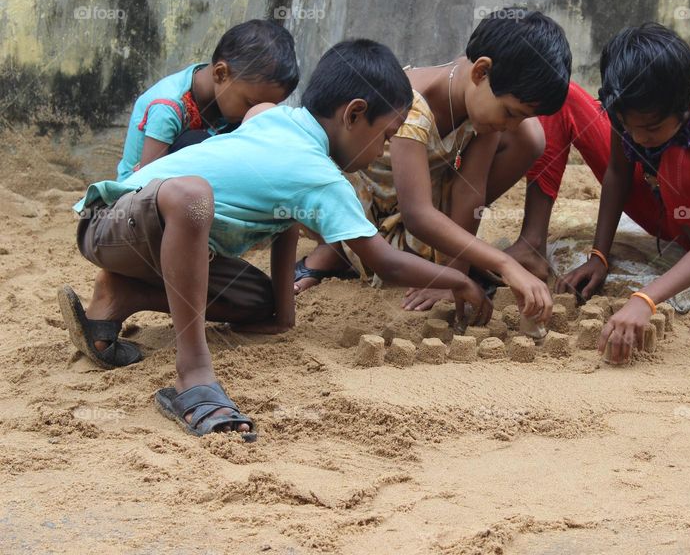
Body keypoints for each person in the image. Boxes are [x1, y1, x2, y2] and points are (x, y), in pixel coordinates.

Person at [59, 39, 492, 441]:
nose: (382, 150)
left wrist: (283, 312)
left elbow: (287, 211)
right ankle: (193, 375)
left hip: (143, 241)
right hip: (114, 221)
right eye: (385, 134)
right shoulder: (320, 175)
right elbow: (386, 263)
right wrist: (458, 279)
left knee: (255, 302)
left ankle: (119, 295)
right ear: (354, 114)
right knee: (192, 196)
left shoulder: (276, 117)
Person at [294, 9, 572, 324]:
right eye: (510, 112)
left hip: (423, 197)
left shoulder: (477, 96)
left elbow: (471, 191)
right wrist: (499, 266)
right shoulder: (414, 107)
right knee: (404, 262)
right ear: (481, 72)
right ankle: (340, 247)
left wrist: (455, 272)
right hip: (374, 210)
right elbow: (417, 216)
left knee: (531, 136)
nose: (510, 124)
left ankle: (450, 255)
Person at [532, 23, 690, 363]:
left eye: (652, 127)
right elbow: (617, 172)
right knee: (565, 96)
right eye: (629, 126)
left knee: (677, 160)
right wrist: (600, 254)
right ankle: (530, 241)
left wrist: (646, 299)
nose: (638, 137)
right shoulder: (625, 107)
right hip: (655, 200)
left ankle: (681, 248)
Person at [116, 19, 299, 181]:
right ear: (220, 73)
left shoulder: (227, 96)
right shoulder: (167, 107)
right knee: (197, 142)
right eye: (251, 104)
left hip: (193, 190)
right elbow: (145, 184)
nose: (255, 115)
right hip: (134, 200)